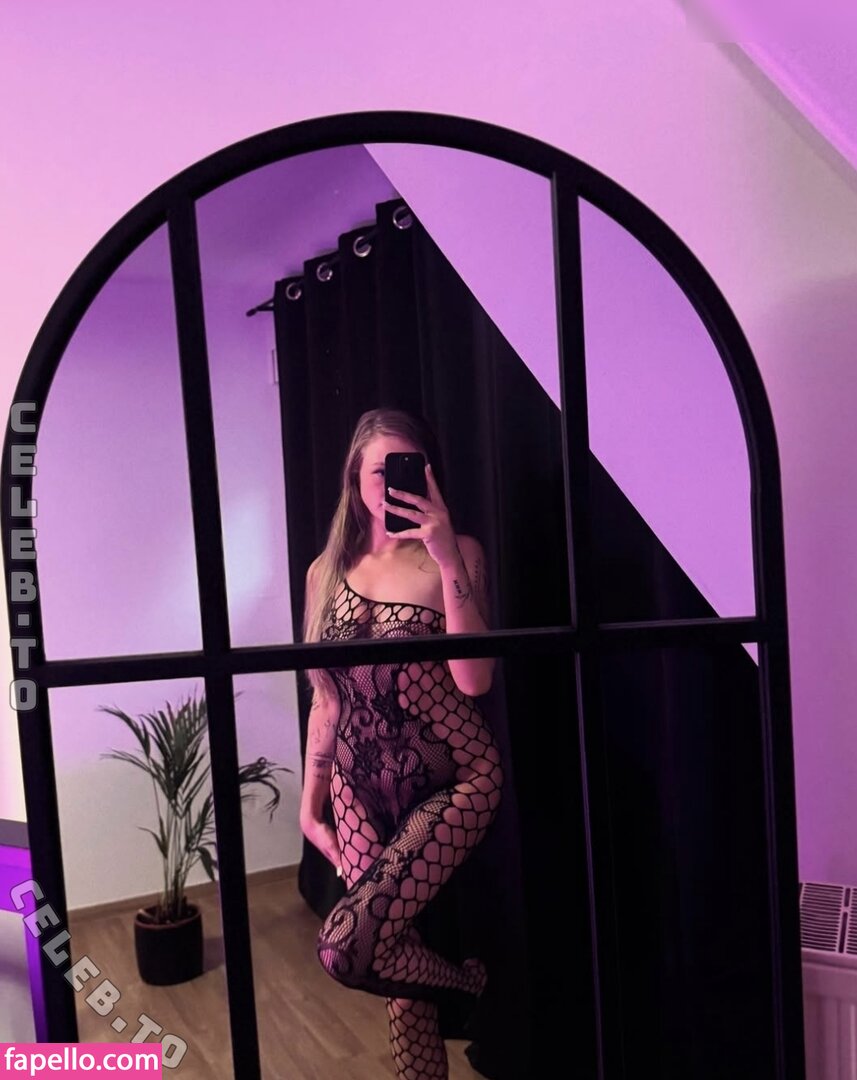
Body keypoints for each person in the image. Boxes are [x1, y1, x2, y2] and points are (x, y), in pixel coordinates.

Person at [299, 407, 505, 1080]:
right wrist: (311, 804)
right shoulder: (324, 572)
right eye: (377, 471)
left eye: (404, 468)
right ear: (352, 480)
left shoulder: (458, 553)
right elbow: (326, 699)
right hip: (357, 786)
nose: (390, 483)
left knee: (347, 947)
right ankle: (464, 987)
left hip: (457, 777)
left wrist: (445, 556)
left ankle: (465, 987)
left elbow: (475, 681)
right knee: (389, 966)